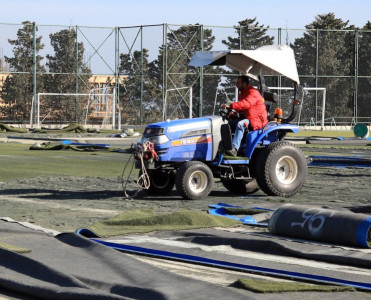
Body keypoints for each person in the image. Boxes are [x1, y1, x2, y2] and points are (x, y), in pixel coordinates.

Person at [220, 75, 268, 156]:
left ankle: (234, 149)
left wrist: (231, 106)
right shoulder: (243, 93)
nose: (236, 84)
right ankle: (225, 146)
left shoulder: (253, 92)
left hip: (256, 120)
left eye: (238, 83)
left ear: (244, 83)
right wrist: (233, 114)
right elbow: (243, 109)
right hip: (249, 117)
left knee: (240, 124)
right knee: (229, 124)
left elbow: (245, 104)